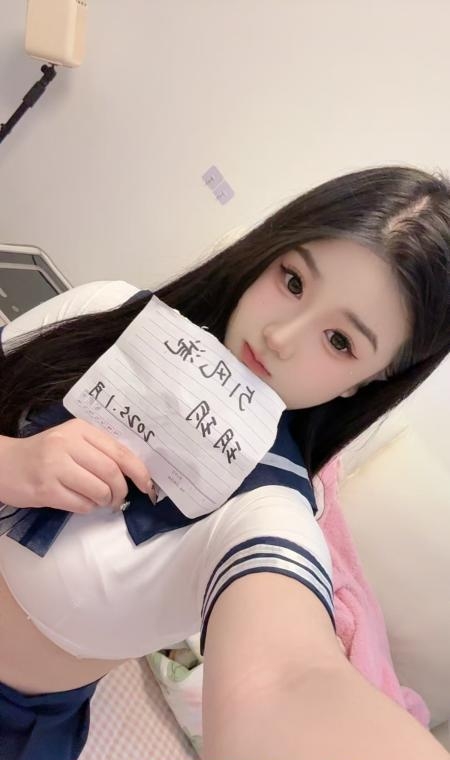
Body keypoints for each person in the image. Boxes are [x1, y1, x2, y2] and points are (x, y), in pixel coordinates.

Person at [0, 165, 449, 760]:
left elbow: (290, 679)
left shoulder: (271, 509)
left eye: (340, 341)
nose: (280, 336)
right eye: (293, 280)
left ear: (365, 383)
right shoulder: (106, 310)